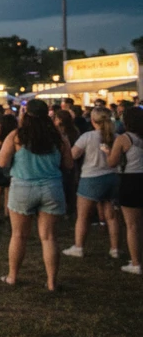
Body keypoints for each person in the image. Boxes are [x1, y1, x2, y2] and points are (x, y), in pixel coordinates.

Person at [0, 99, 72, 290]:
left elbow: (2, 162)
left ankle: (13, 276)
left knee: (19, 235)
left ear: (26, 114)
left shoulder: (17, 136)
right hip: (51, 188)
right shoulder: (58, 137)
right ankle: (52, 282)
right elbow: (69, 164)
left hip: (22, 188)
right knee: (49, 237)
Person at [63, 107, 121, 260]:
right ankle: (115, 248)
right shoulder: (116, 136)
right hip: (112, 177)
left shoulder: (88, 137)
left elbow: (74, 155)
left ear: (93, 121)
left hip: (91, 178)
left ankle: (79, 246)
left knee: (83, 216)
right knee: (111, 215)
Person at [104, 106, 143, 274]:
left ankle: (136, 263)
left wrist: (106, 152)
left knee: (132, 225)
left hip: (130, 180)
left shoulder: (123, 139)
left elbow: (112, 162)